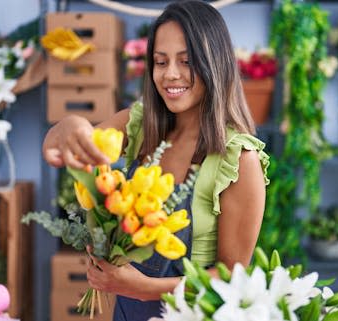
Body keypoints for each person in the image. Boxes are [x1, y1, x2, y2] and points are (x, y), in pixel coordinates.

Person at [42, 1, 270, 320]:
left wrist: (142, 287)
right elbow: (62, 144)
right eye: (160, 62)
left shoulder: (239, 160)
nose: (170, 74)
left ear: (214, 63)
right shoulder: (141, 126)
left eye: (186, 61)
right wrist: (72, 126)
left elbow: (233, 278)